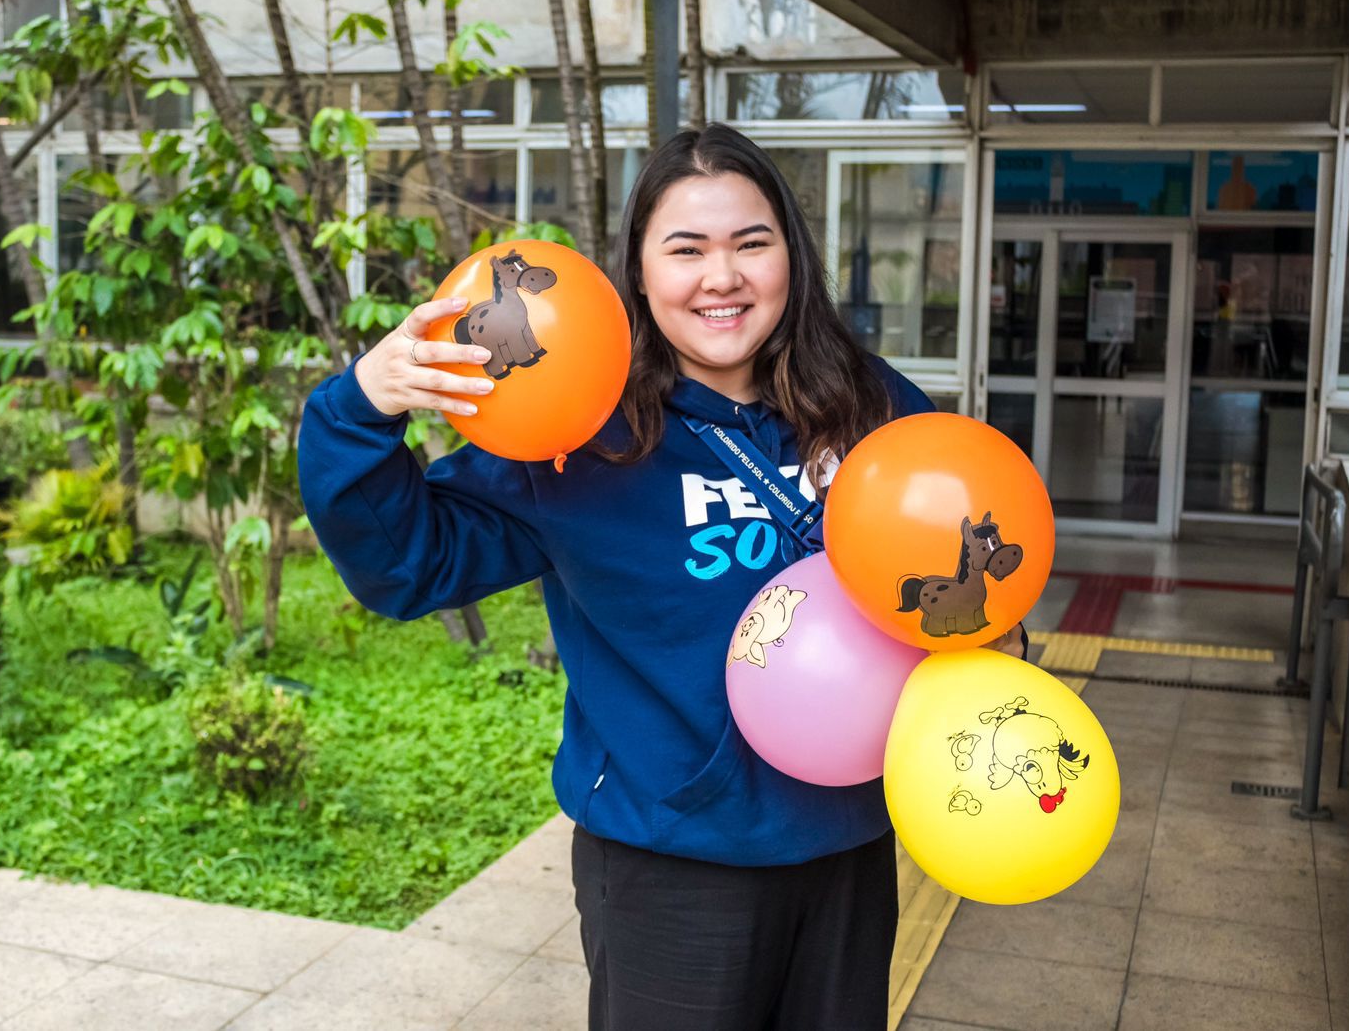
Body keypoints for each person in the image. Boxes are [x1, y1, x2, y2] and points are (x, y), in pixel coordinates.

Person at [298, 123, 1023, 1029]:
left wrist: (993, 631)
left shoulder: (870, 403)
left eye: (751, 244)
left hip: (848, 847)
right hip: (669, 861)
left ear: (789, 259)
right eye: (687, 250)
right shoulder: (579, 431)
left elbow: (952, 562)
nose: (722, 277)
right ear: (638, 273)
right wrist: (358, 410)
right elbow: (408, 565)